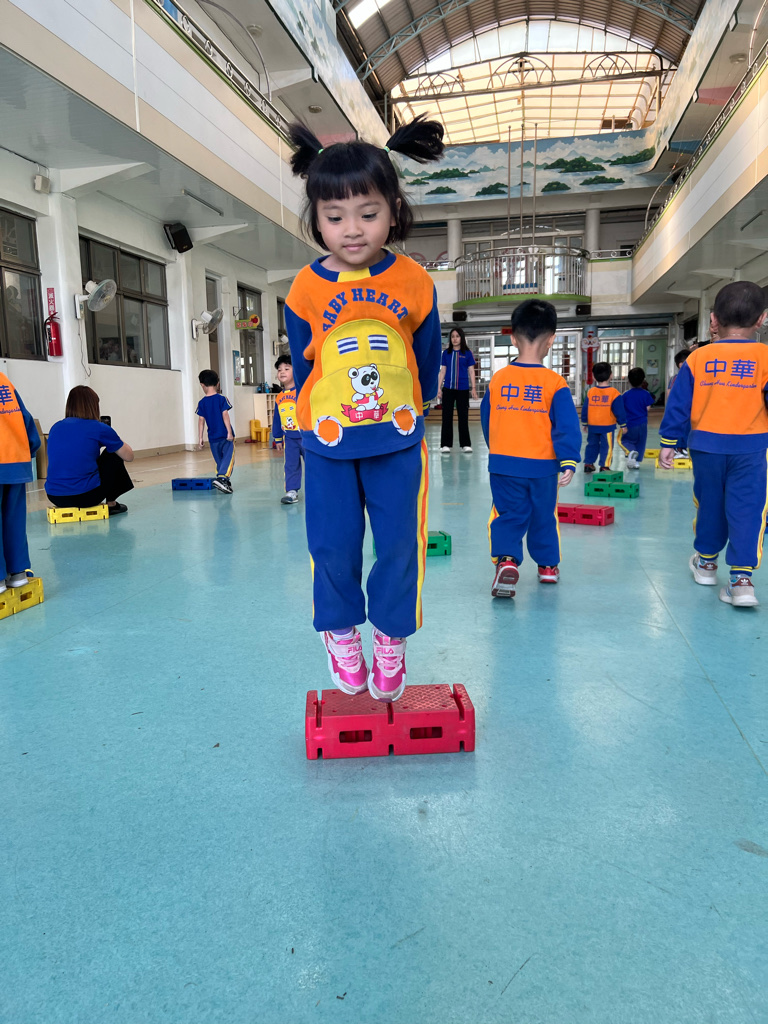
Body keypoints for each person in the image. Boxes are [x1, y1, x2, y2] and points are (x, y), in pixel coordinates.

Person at [284, 115, 444, 702]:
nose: (352, 229)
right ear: (316, 218)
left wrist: (409, 410)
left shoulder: (415, 281)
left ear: (394, 210)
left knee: (400, 543)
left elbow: (426, 358)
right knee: (332, 543)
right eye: (335, 216)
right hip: (329, 443)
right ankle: (341, 633)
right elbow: (304, 368)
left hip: (396, 441)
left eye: (368, 213)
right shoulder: (304, 289)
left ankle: (391, 637)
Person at [659, 280, 768, 607]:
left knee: (709, 503)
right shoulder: (765, 357)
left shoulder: (698, 358)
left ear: (713, 320)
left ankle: (706, 564)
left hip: (706, 447)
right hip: (750, 449)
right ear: (762, 319)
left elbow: (678, 404)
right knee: (747, 507)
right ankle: (741, 581)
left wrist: (668, 442)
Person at [481, 299, 581, 598]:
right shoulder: (555, 383)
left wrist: (498, 448)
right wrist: (568, 460)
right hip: (543, 468)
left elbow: (487, 420)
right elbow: (566, 425)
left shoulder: (498, 380)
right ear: (551, 340)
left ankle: (507, 561)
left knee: (508, 514)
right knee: (544, 515)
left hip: (504, 464)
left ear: (513, 338)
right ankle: (548, 567)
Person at [46, 386, 134, 515]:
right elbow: (129, 456)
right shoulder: (99, 428)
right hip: (86, 497)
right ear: (93, 406)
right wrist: (113, 439)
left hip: (55, 496)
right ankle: (111, 503)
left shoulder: (55, 427)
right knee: (113, 454)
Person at [0, 369, 40, 591]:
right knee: (13, 518)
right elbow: (25, 418)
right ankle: (17, 572)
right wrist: (27, 451)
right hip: (15, 461)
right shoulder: (4, 381)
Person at [580, 362, 626, 472]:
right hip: (607, 427)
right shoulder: (614, 393)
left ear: (594, 377)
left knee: (592, 444)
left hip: (593, 426)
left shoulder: (591, 392)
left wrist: (585, 423)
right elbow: (619, 411)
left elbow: (585, 409)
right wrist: (623, 424)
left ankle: (588, 464)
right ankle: (604, 466)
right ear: (611, 375)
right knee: (607, 446)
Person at [437, 325, 477, 453]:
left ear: (461, 338)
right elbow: (443, 371)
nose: (455, 339)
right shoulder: (446, 353)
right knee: (446, 417)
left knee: (463, 417)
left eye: (457, 336)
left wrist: (473, 388)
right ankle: (445, 445)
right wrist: (438, 388)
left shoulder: (467, 353)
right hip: (448, 389)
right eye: (453, 337)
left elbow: (471, 371)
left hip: (463, 389)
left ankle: (465, 444)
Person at [197, 369, 234, 494]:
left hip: (212, 437)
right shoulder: (221, 398)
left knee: (219, 460)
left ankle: (224, 481)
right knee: (228, 458)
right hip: (225, 435)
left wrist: (200, 438)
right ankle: (222, 479)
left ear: (202, 385)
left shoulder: (202, 403)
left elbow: (201, 421)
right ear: (218, 383)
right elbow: (225, 415)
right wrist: (229, 432)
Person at [272, 354, 303, 504]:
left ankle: (320, 489)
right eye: (279, 370)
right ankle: (291, 491)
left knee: (314, 465)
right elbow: (277, 419)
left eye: (286, 368)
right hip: (290, 438)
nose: (282, 372)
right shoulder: (279, 397)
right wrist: (277, 438)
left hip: (306, 437)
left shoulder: (302, 392)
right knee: (290, 465)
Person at [622, 367, 656, 468]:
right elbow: (648, 408)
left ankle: (631, 451)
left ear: (628, 381)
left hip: (630, 423)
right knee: (641, 443)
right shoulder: (646, 394)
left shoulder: (626, 395)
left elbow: (621, 408)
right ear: (643, 380)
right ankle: (636, 462)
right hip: (642, 423)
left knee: (626, 440)